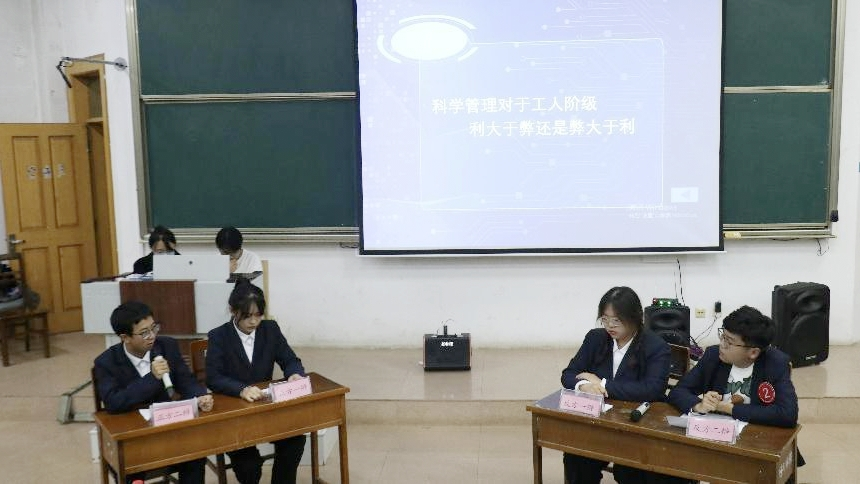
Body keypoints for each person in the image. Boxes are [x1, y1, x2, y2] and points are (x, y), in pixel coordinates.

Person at [561, 286, 685, 484]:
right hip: (598, 424)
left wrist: (601, 383)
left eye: (616, 320)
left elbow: (653, 389)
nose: (609, 325)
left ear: (635, 318)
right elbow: (568, 374)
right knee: (575, 457)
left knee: (630, 471)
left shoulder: (655, 347)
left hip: (636, 428)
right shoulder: (596, 338)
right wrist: (584, 385)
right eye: (605, 319)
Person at [93, 301, 213, 484]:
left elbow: (185, 381)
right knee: (130, 469)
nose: (152, 336)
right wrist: (152, 378)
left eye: (154, 328)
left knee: (195, 455)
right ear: (125, 337)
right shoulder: (106, 362)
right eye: (144, 333)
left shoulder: (167, 346)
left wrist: (200, 395)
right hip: (133, 438)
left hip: (169, 429)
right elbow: (113, 402)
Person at [205, 279, 306, 484]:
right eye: (247, 316)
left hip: (265, 407)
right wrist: (241, 389)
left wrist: (294, 374)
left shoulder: (270, 329)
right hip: (234, 412)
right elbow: (213, 378)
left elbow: (290, 360)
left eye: (258, 315)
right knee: (249, 465)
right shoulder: (219, 336)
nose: (254, 322)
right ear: (233, 311)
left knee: (295, 440)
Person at [668, 305, 799, 427]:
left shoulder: (775, 363)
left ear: (753, 352)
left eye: (729, 341)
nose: (722, 344)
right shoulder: (713, 356)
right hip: (715, 432)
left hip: (754, 433)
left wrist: (729, 409)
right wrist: (698, 405)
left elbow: (787, 414)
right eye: (723, 336)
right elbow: (678, 392)